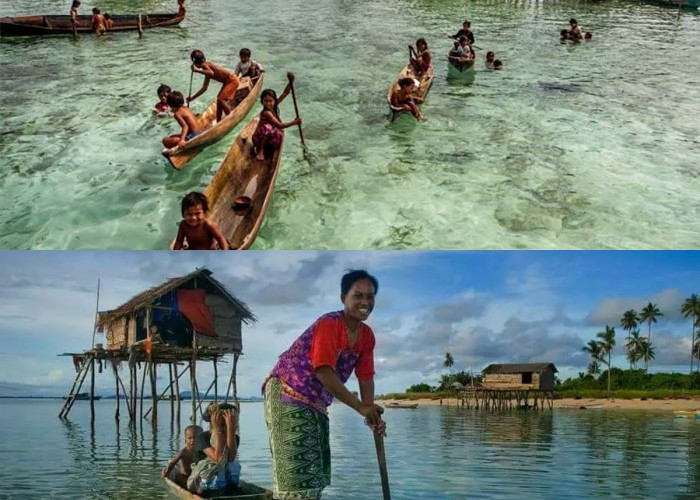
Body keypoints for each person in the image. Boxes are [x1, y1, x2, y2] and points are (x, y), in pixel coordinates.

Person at [262, 270, 387, 500]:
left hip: (317, 403)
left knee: (315, 478)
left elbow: (366, 376)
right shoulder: (330, 324)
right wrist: (360, 407)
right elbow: (323, 371)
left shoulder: (366, 336)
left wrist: (371, 414)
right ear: (343, 298)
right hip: (288, 393)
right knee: (297, 483)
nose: (365, 302)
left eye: (370, 297)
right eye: (358, 295)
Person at [188, 403, 240, 494]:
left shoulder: (234, 438)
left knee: (234, 465)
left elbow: (231, 458)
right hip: (202, 482)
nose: (234, 424)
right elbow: (219, 459)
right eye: (231, 422)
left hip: (223, 481)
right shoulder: (203, 437)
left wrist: (230, 430)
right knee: (218, 466)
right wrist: (217, 430)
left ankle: (229, 490)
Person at [251, 76, 301, 161]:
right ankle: (260, 152)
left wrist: (290, 82)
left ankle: (269, 150)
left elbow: (285, 93)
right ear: (262, 101)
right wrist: (294, 122)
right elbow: (279, 125)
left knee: (278, 135)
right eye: (265, 101)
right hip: (258, 139)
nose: (268, 103)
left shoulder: (274, 106)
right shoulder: (266, 113)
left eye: (270, 101)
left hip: (268, 137)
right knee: (268, 127)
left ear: (274, 101)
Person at [187, 50, 240, 122]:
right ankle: (219, 122)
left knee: (221, 100)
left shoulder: (205, 65)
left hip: (232, 80)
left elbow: (211, 73)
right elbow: (204, 88)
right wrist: (192, 98)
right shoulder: (206, 69)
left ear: (194, 62)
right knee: (218, 102)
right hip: (227, 82)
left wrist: (197, 70)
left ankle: (232, 119)